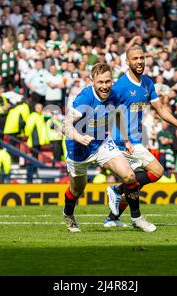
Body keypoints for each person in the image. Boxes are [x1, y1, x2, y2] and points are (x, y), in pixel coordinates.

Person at [104, 45, 177, 227]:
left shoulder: (147, 83)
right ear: (127, 62)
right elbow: (113, 113)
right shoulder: (120, 86)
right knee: (156, 171)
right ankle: (125, 203)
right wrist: (125, 139)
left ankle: (112, 217)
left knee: (136, 184)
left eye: (141, 58)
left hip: (135, 140)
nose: (139, 61)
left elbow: (160, 110)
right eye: (135, 59)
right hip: (122, 141)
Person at [63, 63, 142, 232]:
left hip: (101, 143)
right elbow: (65, 125)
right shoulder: (84, 98)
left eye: (108, 81)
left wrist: (126, 140)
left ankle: (137, 218)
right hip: (77, 149)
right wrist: (79, 137)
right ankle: (68, 214)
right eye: (100, 82)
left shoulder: (115, 95)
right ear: (92, 81)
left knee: (129, 176)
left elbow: (118, 114)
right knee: (77, 191)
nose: (105, 86)